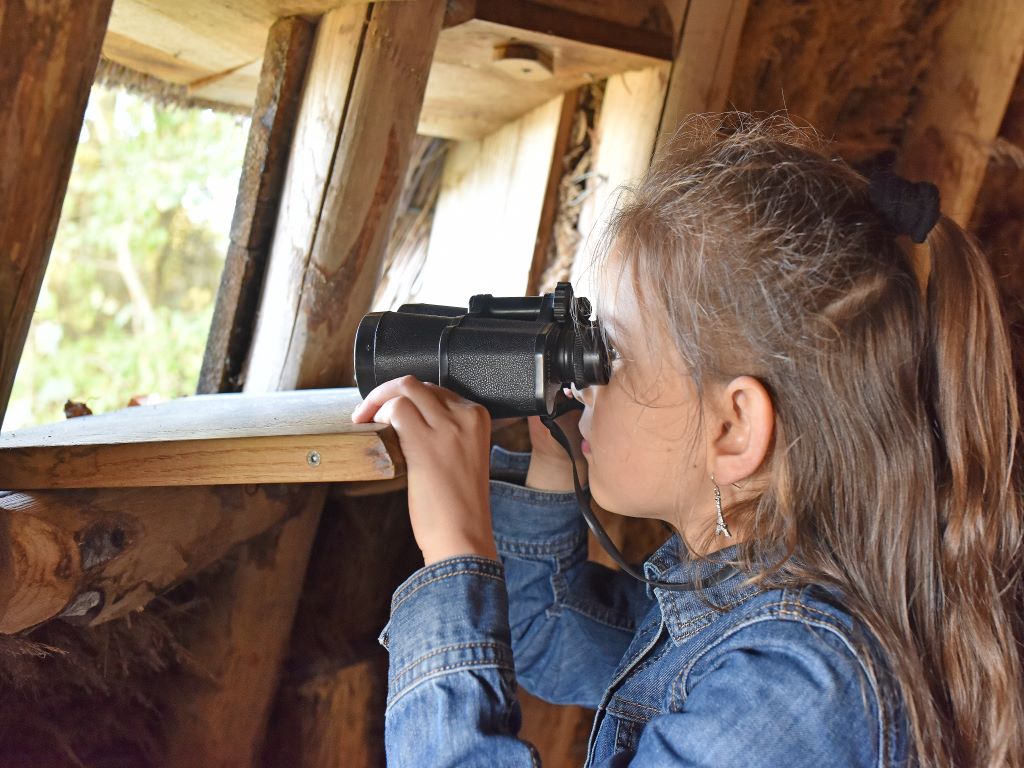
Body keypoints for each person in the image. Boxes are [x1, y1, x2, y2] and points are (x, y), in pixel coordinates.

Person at [350, 113, 1024, 767]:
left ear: (733, 428)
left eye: (611, 355)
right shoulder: (737, 590)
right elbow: (548, 630)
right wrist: (554, 461)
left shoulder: (792, 690)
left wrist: (456, 552)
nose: (583, 385)